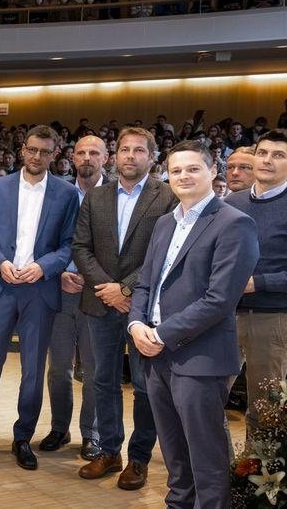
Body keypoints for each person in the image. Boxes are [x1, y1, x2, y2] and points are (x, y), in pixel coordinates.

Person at [129, 140, 259, 508]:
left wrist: (161, 334)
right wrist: (136, 325)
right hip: (155, 356)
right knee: (173, 454)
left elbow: (220, 300)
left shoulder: (235, 224)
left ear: (212, 171)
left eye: (192, 169)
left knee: (207, 459)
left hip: (198, 358)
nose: (183, 176)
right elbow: (144, 284)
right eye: (175, 170)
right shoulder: (163, 224)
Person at [0, 125, 79, 471]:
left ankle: (22, 437)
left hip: (40, 292)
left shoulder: (66, 193)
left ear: (55, 154)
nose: (36, 156)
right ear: (22, 149)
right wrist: (0, 263)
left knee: (31, 371)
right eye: (31, 149)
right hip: (1, 288)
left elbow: (69, 245)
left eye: (44, 152)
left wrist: (43, 267)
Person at [72, 127, 178, 490]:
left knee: (146, 387)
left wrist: (127, 289)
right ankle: (109, 450)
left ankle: (139, 458)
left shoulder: (166, 196)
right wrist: (108, 289)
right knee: (102, 381)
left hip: (144, 306)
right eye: (124, 150)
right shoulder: (96, 197)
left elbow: (163, 252)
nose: (130, 156)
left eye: (138, 150)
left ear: (152, 157)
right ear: (115, 156)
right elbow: (80, 247)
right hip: (100, 303)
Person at [38, 135, 107, 462]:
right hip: (62, 293)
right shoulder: (59, 194)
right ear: (71, 157)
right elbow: (45, 240)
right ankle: (59, 427)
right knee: (59, 369)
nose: (87, 157)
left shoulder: (116, 195)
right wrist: (60, 271)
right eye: (81, 152)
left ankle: (91, 434)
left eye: (94, 152)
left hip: (99, 297)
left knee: (94, 371)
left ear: (105, 157)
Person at [224, 129, 287, 433]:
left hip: (272, 316)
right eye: (263, 153)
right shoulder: (231, 203)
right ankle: (217, 470)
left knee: (265, 406)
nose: (268, 160)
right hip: (224, 312)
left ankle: (261, 477)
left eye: (279, 155)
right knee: (211, 395)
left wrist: (258, 282)